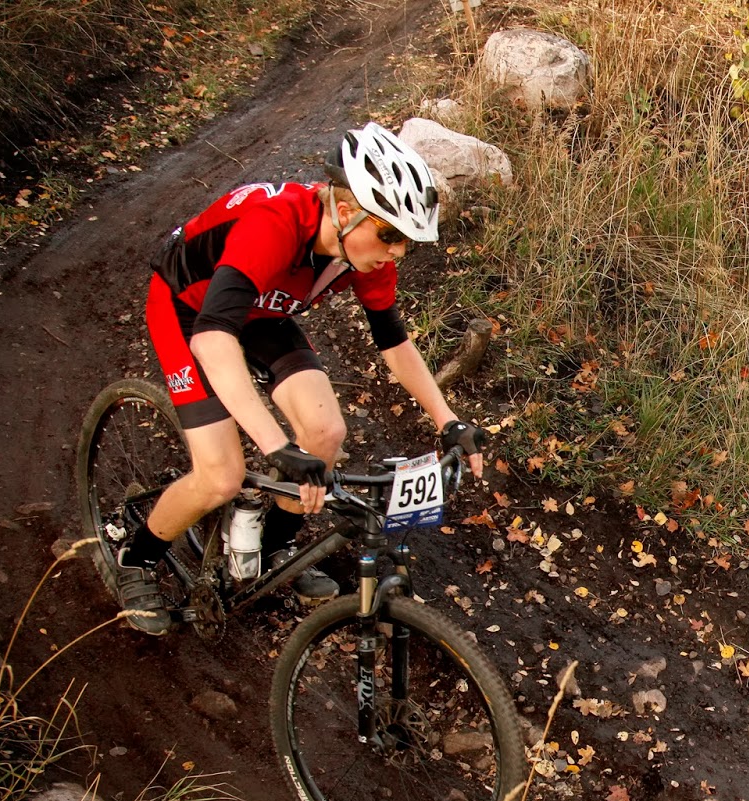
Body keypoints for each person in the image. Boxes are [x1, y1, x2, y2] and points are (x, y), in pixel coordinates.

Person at [113, 122, 487, 634]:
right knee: (222, 474)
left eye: (406, 241)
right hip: (189, 311)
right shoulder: (275, 225)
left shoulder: (365, 252)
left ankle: (272, 552)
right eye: (391, 235)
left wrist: (448, 419)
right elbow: (211, 339)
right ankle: (137, 557)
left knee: (325, 434)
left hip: (262, 311)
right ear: (349, 210)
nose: (397, 251)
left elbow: (394, 342)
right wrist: (272, 444)